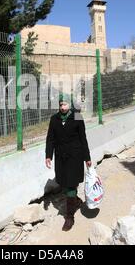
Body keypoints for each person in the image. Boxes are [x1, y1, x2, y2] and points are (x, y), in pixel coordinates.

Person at [45, 93, 92, 231]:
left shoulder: (77, 117)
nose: (63, 107)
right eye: (60, 105)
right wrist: (48, 156)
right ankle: (76, 200)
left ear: (70, 105)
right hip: (60, 157)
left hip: (74, 157)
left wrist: (87, 158)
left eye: (65, 104)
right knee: (64, 184)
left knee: (71, 185)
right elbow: (50, 139)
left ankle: (69, 217)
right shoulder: (54, 119)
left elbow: (83, 138)